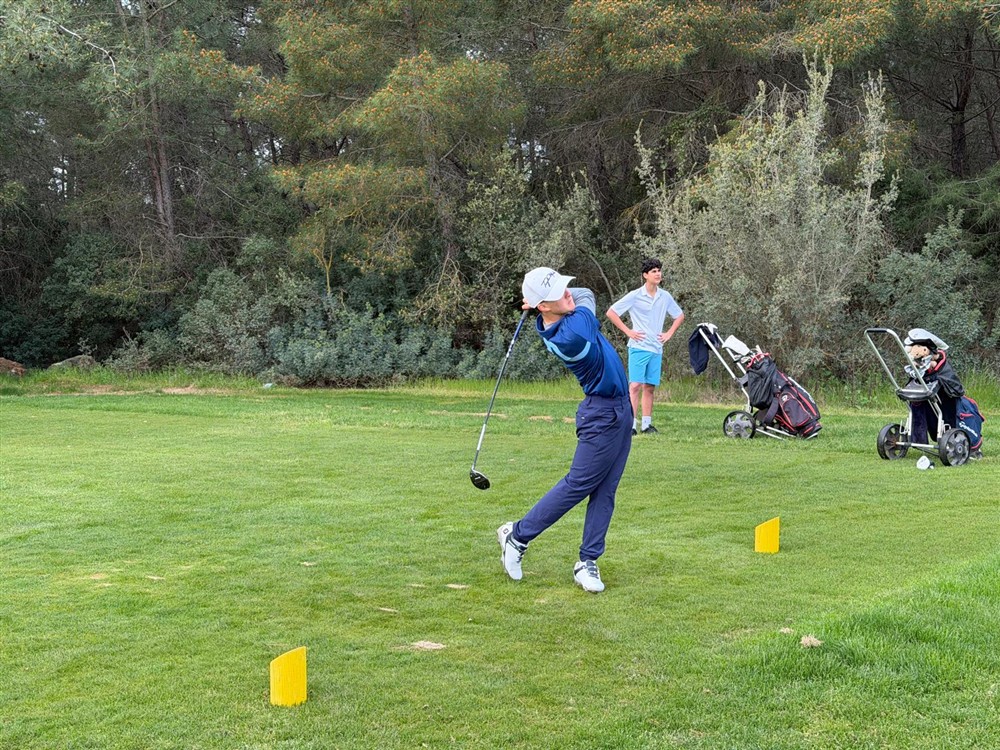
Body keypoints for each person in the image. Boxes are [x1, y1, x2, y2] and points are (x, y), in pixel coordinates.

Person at [497, 267, 633, 593]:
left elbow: (578, 294)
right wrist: (541, 300)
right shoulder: (572, 334)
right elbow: (588, 296)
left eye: (563, 287)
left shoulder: (561, 315)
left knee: (606, 489)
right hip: (601, 414)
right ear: (544, 306)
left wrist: (545, 297)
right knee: (578, 484)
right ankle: (517, 536)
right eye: (558, 293)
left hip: (620, 409)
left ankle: (588, 561)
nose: (568, 293)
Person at [605, 258, 685, 435]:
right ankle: (631, 425)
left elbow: (679, 316)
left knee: (649, 386)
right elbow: (611, 312)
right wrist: (629, 331)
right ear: (645, 275)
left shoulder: (665, 296)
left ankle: (647, 425)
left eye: (659, 270)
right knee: (635, 385)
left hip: (656, 348)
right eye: (654, 271)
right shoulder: (635, 295)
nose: (658, 274)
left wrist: (669, 333)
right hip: (639, 347)